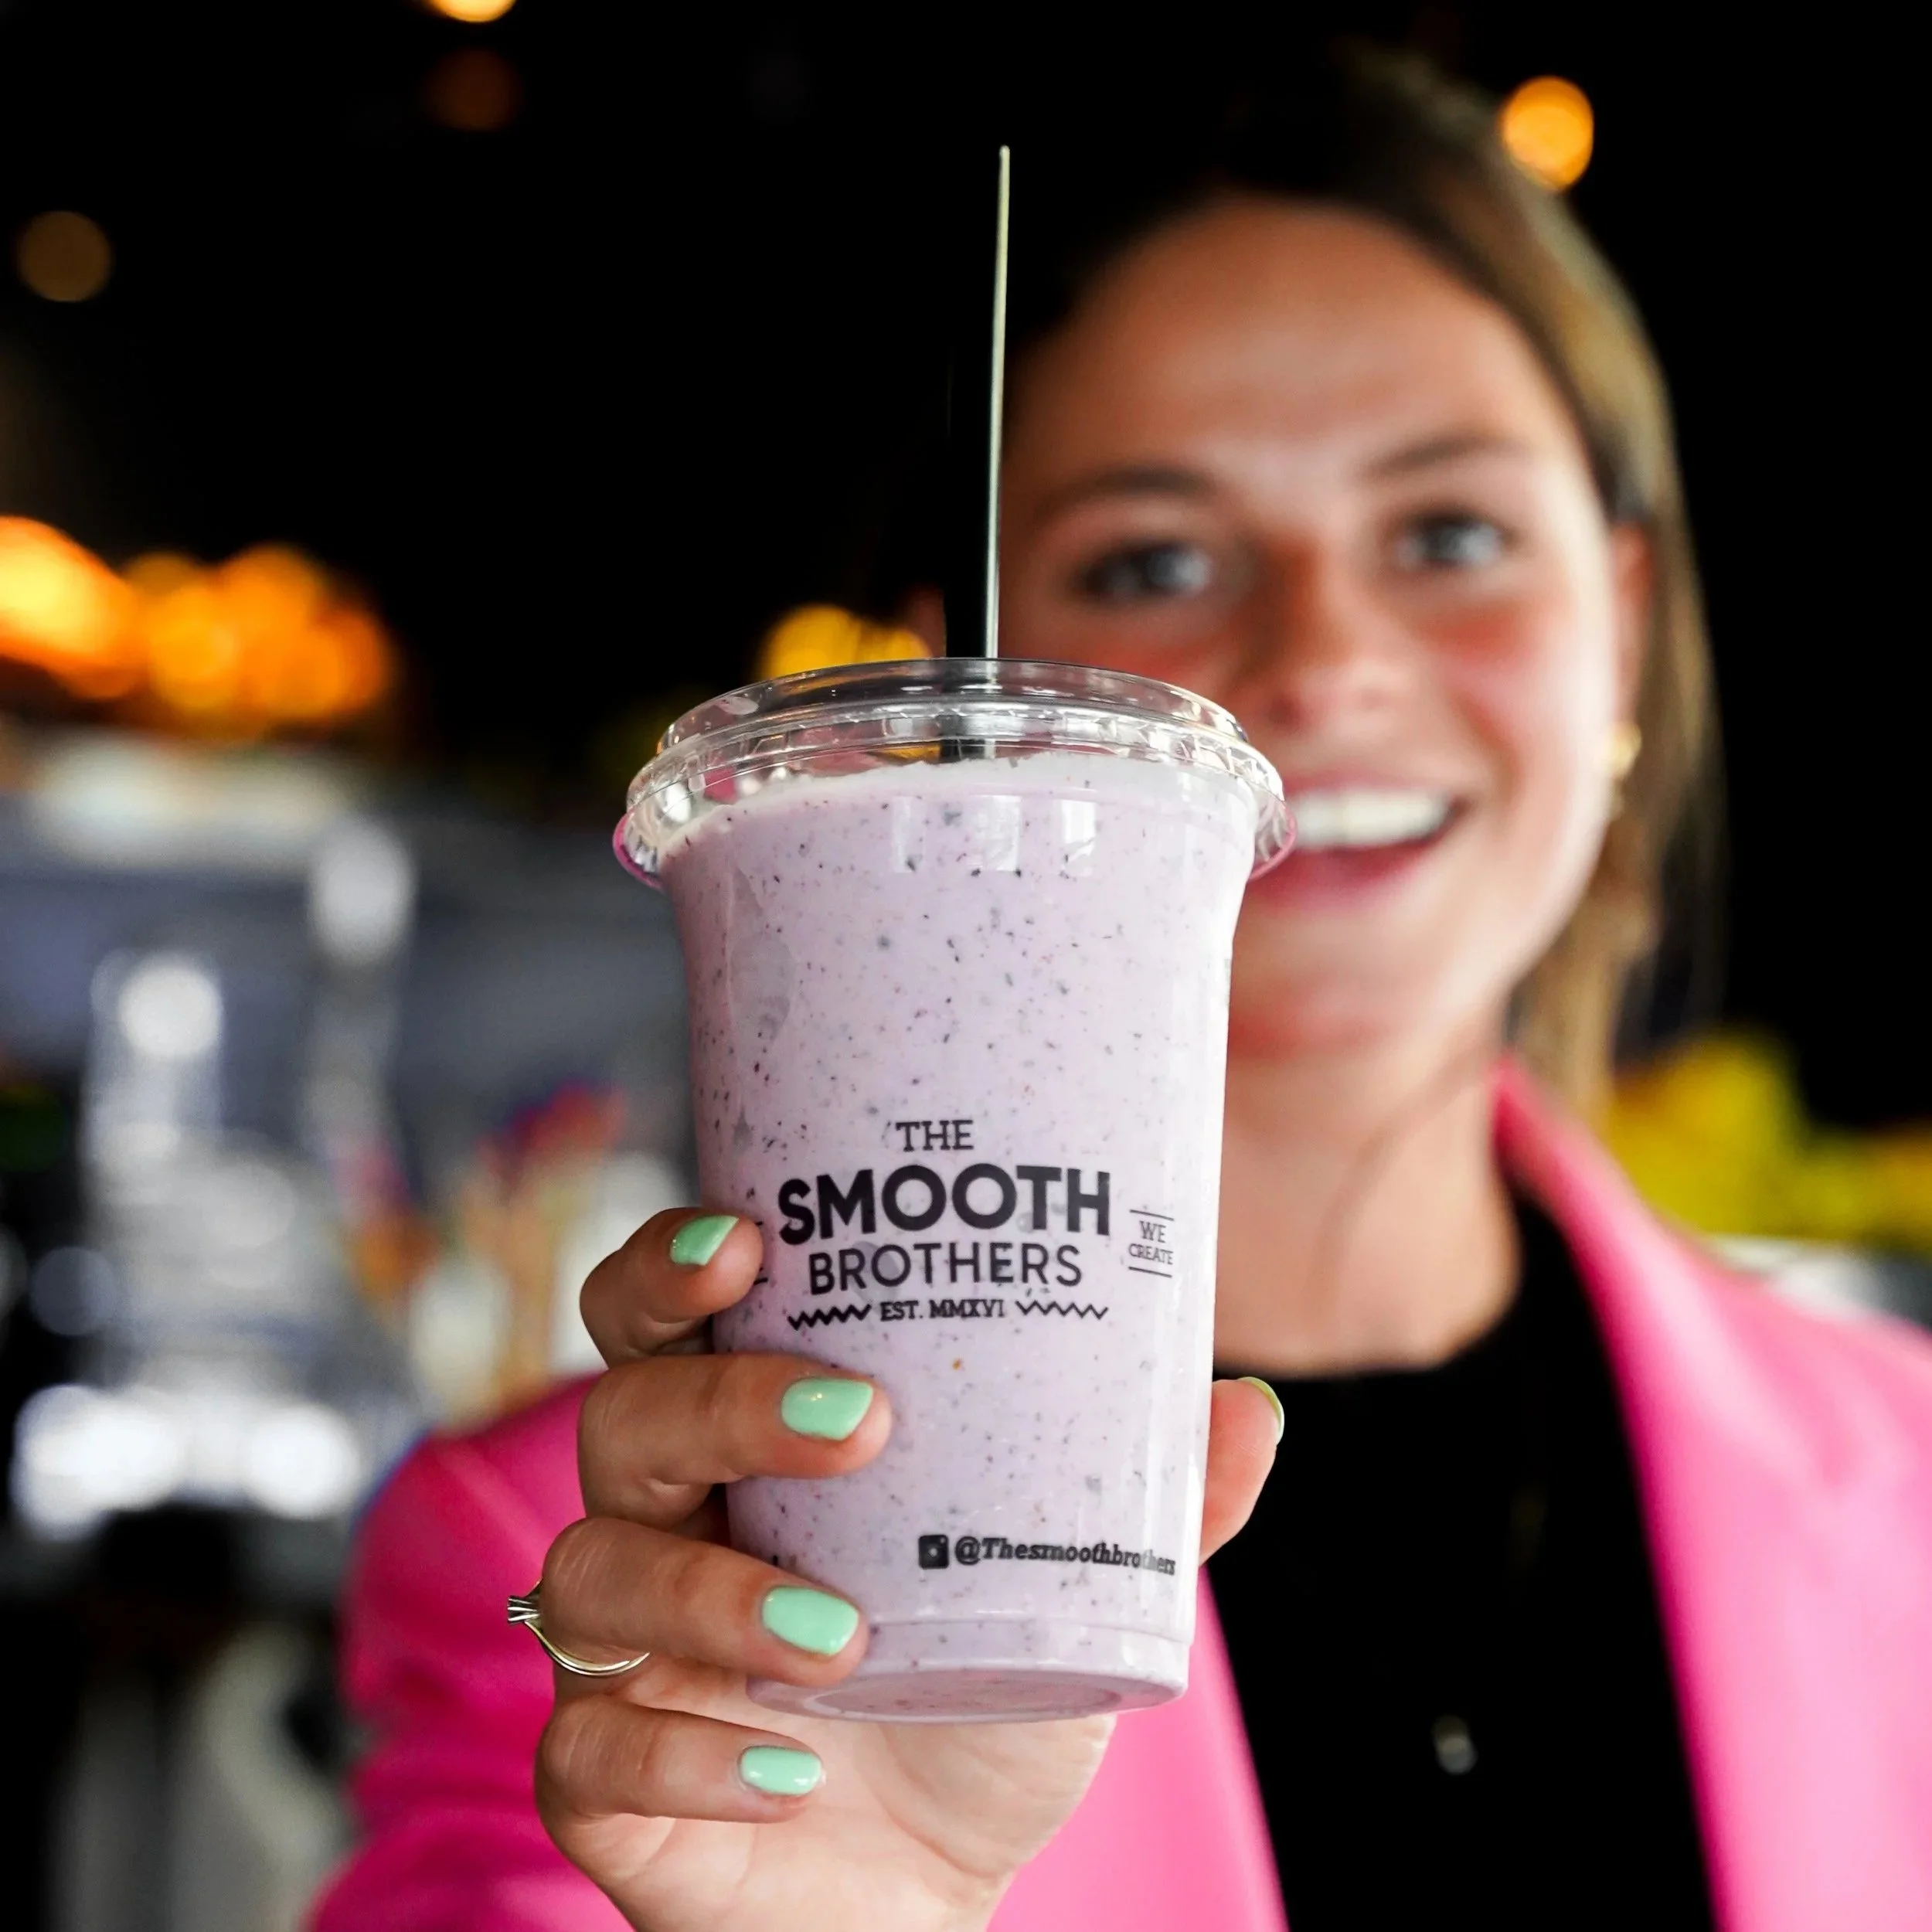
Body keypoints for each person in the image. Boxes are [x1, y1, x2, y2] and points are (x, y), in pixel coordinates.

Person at [312, 49, 1932, 1932]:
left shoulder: (1910, 1480)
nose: (1322, 661)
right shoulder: (636, 1595)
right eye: (1156, 556)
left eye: (1448, 534)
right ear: (962, 685)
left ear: (1620, 627)